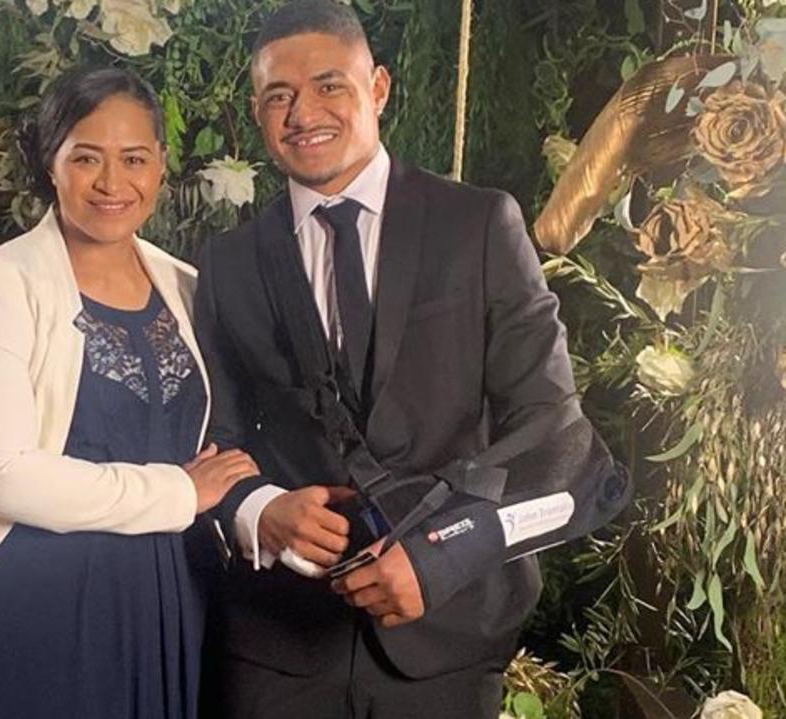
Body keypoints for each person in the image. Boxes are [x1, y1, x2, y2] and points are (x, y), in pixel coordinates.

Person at [193, 2, 631, 717]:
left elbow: (554, 427)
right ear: (256, 112)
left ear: (380, 88)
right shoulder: (228, 262)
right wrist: (261, 509)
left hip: (448, 635)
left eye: (329, 84)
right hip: (277, 643)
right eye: (279, 96)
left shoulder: (480, 225)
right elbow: (219, 435)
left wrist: (442, 556)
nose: (304, 112)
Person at [0, 66, 258, 719]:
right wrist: (181, 492)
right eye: (86, 158)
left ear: (161, 166)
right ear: (51, 164)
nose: (112, 182)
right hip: (16, 608)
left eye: (134, 158)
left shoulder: (190, 288)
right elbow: (3, 475)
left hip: (162, 603)